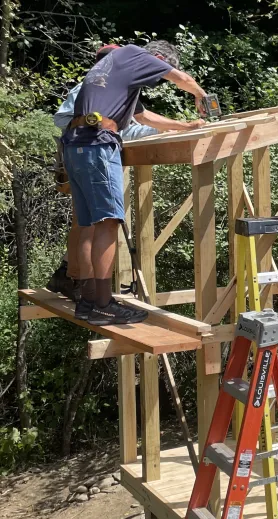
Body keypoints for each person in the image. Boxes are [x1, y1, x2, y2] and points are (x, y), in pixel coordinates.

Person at [60, 40, 209, 326]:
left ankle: (89, 301)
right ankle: (103, 304)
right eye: (161, 68)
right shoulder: (135, 55)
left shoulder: (116, 71)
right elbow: (182, 79)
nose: (158, 78)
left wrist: (187, 126)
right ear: (157, 58)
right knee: (108, 222)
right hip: (97, 145)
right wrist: (201, 95)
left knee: (91, 224)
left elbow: (143, 116)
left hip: (76, 145)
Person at [47, 44, 161, 303]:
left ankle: (68, 277)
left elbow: (127, 128)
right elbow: (62, 118)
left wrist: (166, 130)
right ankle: (78, 283)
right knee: (91, 224)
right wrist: (91, 128)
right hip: (86, 156)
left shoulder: (113, 89)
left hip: (87, 155)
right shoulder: (92, 86)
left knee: (88, 223)